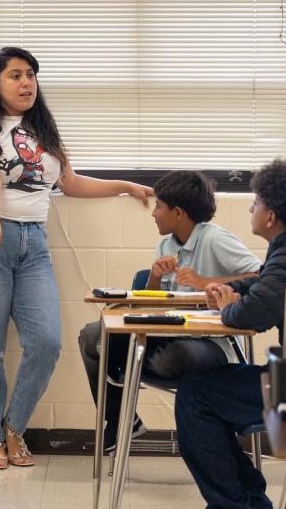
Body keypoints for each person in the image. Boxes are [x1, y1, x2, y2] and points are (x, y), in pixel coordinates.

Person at [0, 46, 153, 470]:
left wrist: (126, 185)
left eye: (31, 76)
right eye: (15, 76)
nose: (26, 84)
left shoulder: (44, 130)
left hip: (32, 244)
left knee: (46, 343)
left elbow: (71, 183)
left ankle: (14, 427)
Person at [175, 157, 286, 509]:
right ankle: (245, 500)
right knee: (204, 387)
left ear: (271, 216)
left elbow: (253, 314)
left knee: (196, 397)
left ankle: (240, 504)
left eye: (255, 203)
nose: (250, 208)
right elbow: (265, 282)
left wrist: (228, 305)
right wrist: (230, 290)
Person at [78, 170, 261, 452]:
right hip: (167, 335)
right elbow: (155, 301)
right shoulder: (166, 245)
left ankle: (128, 367)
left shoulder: (215, 239)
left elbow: (260, 276)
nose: (154, 214)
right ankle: (120, 420)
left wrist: (204, 284)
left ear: (178, 212)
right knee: (93, 336)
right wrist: (154, 277)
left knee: (172, 357)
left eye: (159, 206)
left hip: (210, 345)